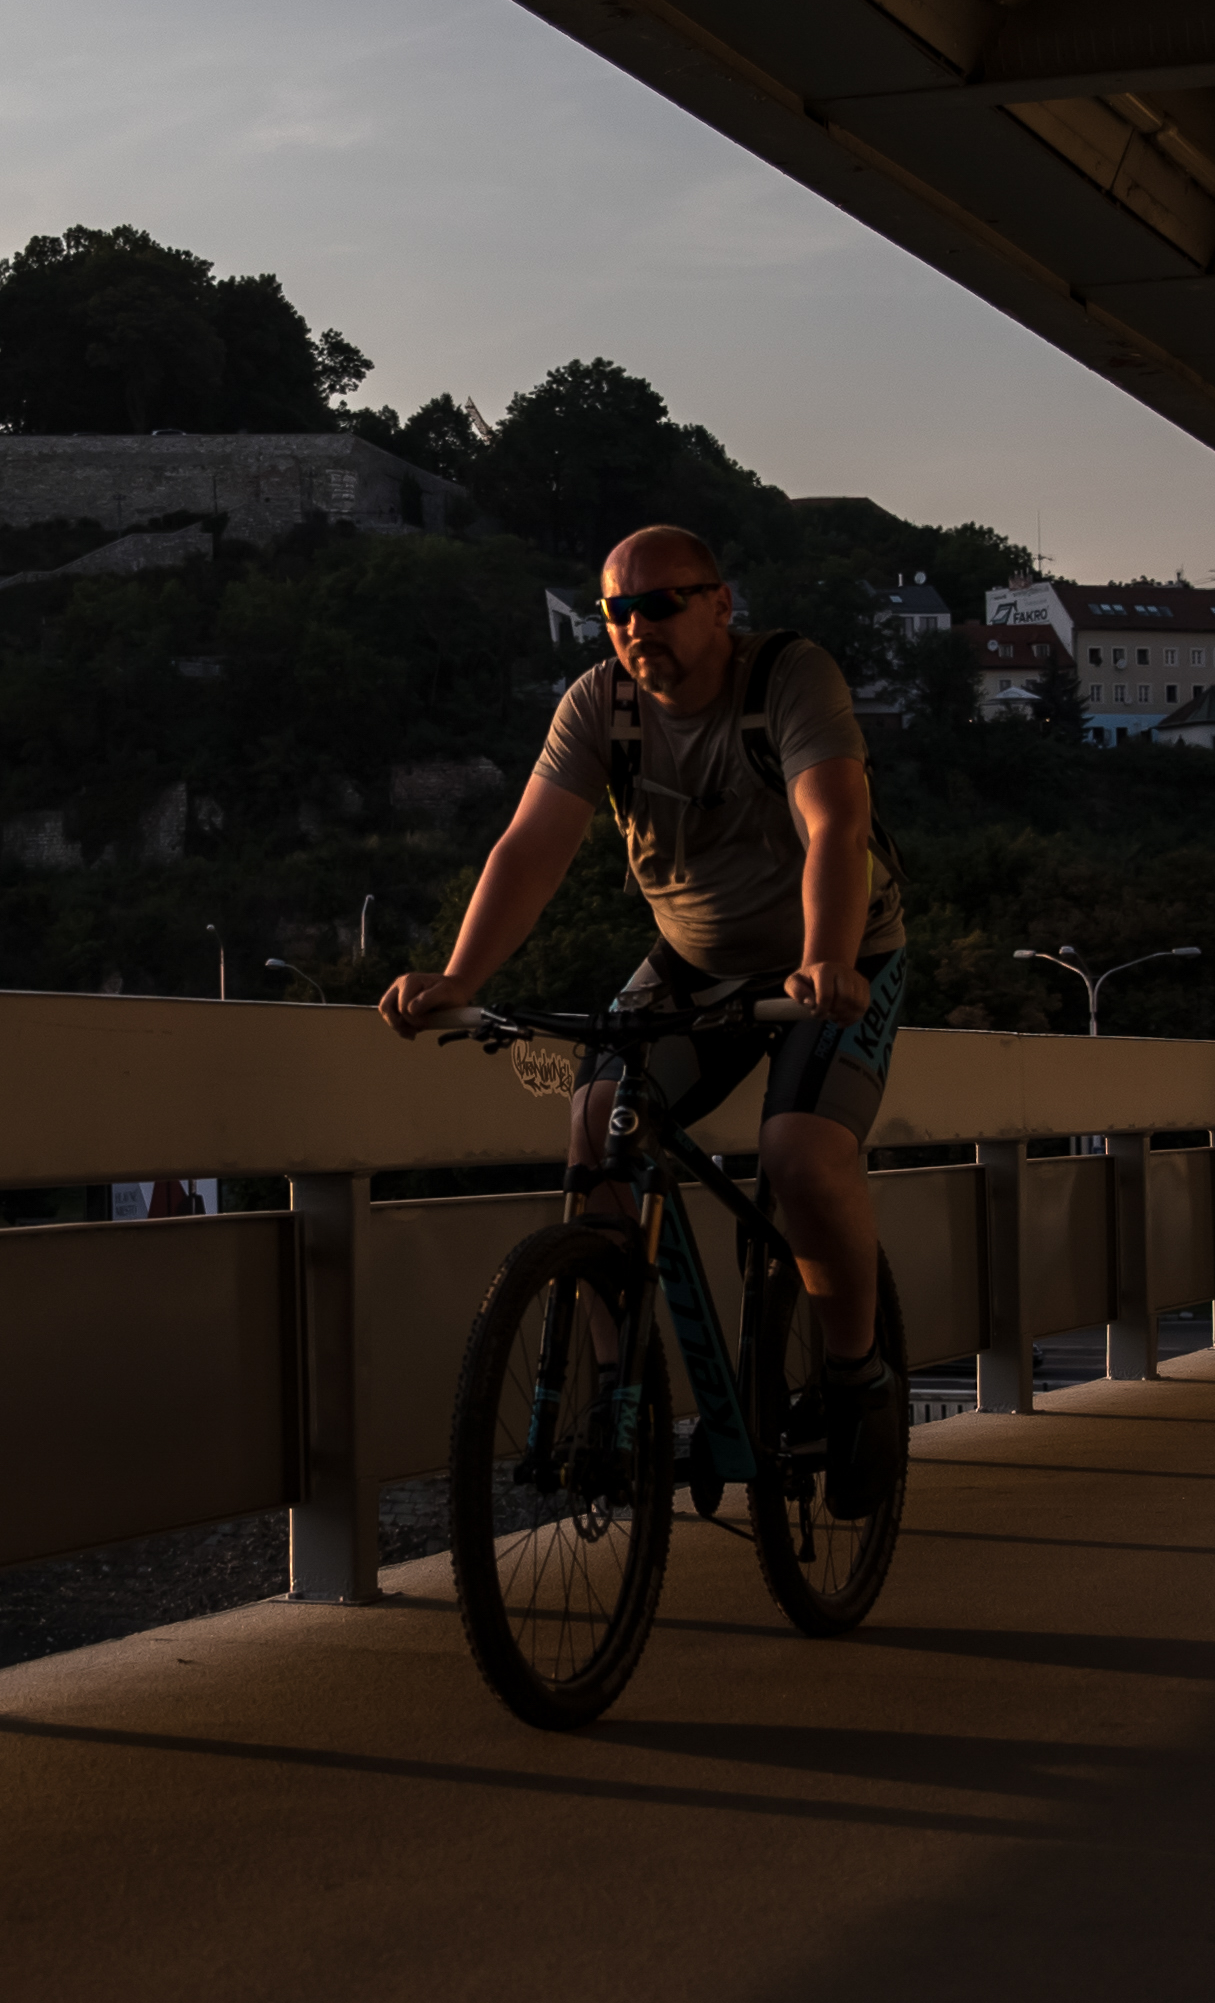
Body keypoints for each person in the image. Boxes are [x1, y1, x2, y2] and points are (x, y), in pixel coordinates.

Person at [380, 525, 913, 1515]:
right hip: (691, 959)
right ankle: (620, 1401)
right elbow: (530, 847)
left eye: (659, 604)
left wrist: (826, 959)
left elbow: (834, 826)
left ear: (718, 604)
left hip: (837, 957)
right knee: (592, 1130)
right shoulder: (599, 704)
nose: (634, 627)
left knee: (798, 1156)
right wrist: (455, 975)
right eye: (614, 610)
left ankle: (855, 1379)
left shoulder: (789, 678)